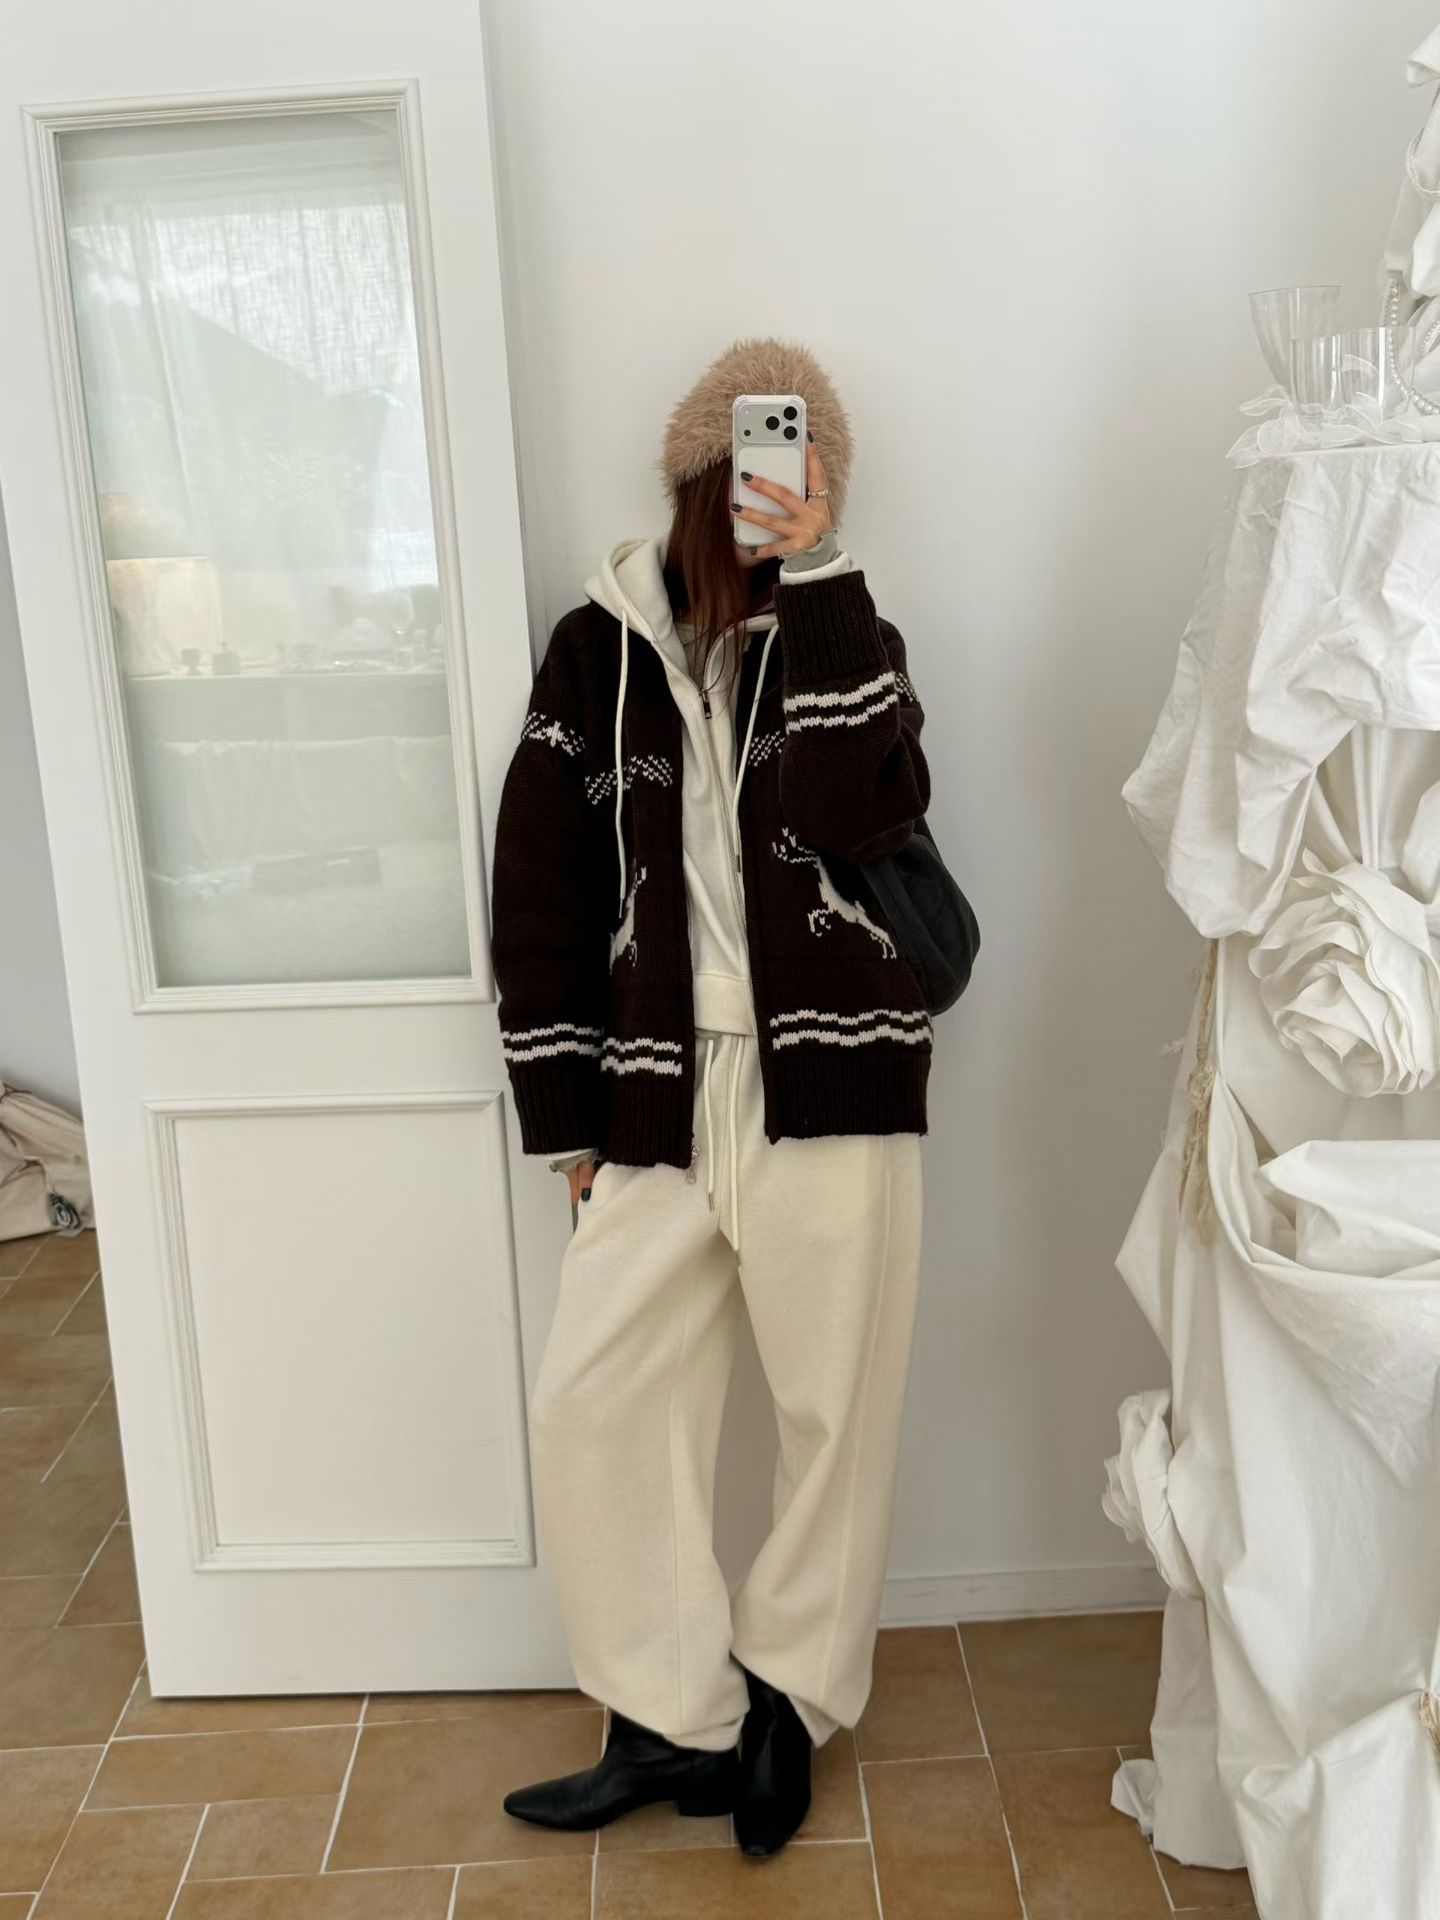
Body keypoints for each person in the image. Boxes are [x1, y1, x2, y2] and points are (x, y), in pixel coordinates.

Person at [490, 338, 931, 1858]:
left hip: (838, 1079)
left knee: (835, 1411)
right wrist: (565, 1118)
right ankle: (668, 1714)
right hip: (654, 1095)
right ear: (694, 478)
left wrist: (827, 577)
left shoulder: (842, 632)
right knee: (596, 1403)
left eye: (799, 476)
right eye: (745, 471)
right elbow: (538, 893)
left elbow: (869, 806)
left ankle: (788, 1707)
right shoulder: (592, 652)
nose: (768, 498)